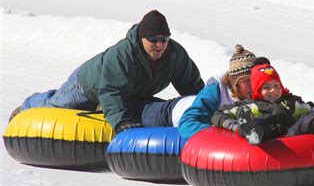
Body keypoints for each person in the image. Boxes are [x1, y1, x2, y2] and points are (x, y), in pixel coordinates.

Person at [10, 10, 204, 133]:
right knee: (58, 105)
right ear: (142, 37)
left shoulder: (175, 54)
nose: (160, 44)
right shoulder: (123, 54)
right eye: (153, 39)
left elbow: (192, 84)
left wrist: (206, 107)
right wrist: (120, 122)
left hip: (130, 92)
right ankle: (28, 104)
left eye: (164, 39)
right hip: (88, 85)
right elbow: (111, 90)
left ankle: (103, 108)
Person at [211, 58, 314, 145]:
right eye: (266, 87)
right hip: (267, 137)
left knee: (309, 119)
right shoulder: (251, 105)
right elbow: (219, 114)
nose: (273, 91)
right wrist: (235, 126)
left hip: (292, 136)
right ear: (257, 91)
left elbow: (311, 111)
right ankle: (251, 130)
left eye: (276, 86)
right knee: (260, 123)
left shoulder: (291, 102)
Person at [178, 44, 257, 139]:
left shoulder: (267, 89)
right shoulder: (217, 90)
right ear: (235, 84)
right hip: (172, 113)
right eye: (247, 81)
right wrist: (223, 134)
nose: (254, 86)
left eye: (256, 79)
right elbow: (187, 124)